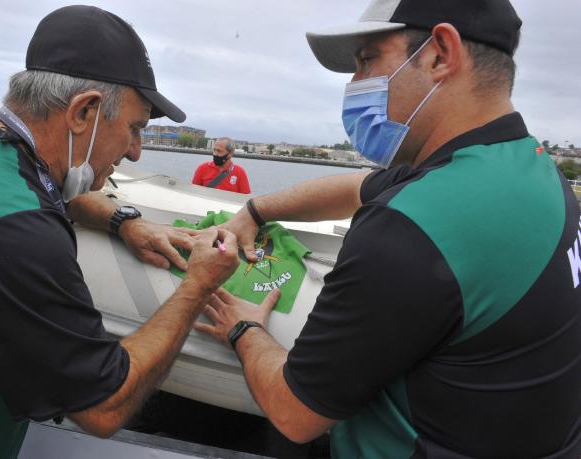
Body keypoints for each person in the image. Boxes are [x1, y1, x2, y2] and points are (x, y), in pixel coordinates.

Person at [196, 0, 581, 457]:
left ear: (440, 53)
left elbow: (295, 412)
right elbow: (358, 187)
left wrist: (245, 331)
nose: (355, 84)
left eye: (367, 61)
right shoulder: (534, 171)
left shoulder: (410, 230)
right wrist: (254, 212)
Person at [0, 6, 240, 458]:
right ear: (84, 111)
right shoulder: (16, 235)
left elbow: (46, 190)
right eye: (134, 128)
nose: (135, 152)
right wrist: (198, 286)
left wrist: (123, 221)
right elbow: (103, 406)